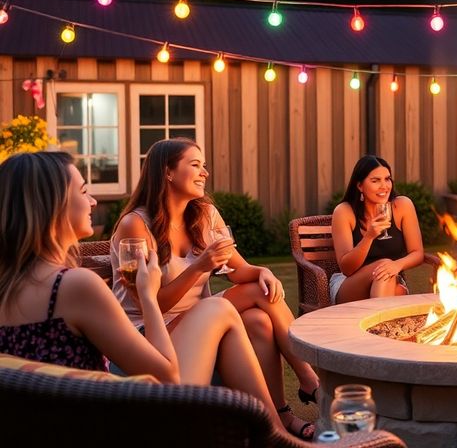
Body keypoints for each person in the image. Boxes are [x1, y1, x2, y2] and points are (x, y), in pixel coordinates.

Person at [0, 152, 278, 433]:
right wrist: (147, 295)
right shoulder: (74, 285)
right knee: (219, 309)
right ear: (52, 206)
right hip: (128, 427)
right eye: (84, 191)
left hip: (45, 429)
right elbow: (166, 377)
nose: (93, 201)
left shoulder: (9, 288)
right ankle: (276, 433)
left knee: (248, 320)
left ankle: (275, 426)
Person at [110, 138, 316, 439]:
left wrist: (261, 271)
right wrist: (200, 266)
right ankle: (298, 399)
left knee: (259, 318)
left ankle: (284, 411)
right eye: (195, 165)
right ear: (167, 172)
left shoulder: (203, 215)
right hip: (148, 334)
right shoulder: (136, 225)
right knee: (232, 302)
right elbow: (150, 305)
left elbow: (238, 269)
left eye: (204, 166)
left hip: (198, 322)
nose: (204, 172)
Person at [330, 155, 425, 303]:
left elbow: (418, 253)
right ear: (360, 185)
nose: (384, 186)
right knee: (388, 277)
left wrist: (396, 265)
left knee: (392, 284)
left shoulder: (403, 206)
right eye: (375, 181)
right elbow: (347, 269)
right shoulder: (344, 212)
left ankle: (378, 325)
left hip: (390, 278)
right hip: (350, 284)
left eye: (387, 179)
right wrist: (368, 237)